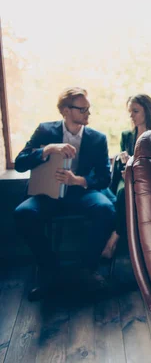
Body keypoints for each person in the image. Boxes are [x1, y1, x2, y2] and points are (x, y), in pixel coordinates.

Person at [14, 87, 116, 301]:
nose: (88, 113)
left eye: (89, 108)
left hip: (80, 193)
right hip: (47, 193)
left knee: (106, 209)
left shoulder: (97, 138)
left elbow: (105, 178)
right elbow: (21, 163)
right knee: (23, 213)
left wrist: (78, 180)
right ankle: (49, 270)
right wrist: (48, 149)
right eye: (82, 109)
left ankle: (87, 270)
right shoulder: (45, 131)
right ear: (65, 111)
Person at [101, 94, 151, 259]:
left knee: (125, 194)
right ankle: (129, 244)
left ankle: (115, 237)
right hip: (126, 178)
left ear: (147, 111)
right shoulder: (127, 136)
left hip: (149, 181)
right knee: (123, 192)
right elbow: (122, 165)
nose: (131, 115)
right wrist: (124, 162)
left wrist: (136, 171)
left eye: (135, 111)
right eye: (130, 111)